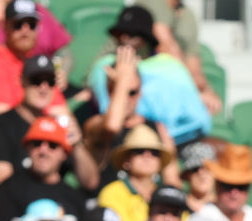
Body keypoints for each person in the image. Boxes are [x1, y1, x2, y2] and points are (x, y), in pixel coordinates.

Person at [87, 5, 211, 146]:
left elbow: (199, 121)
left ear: (147, 39)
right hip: (118, 143)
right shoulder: (105, 65)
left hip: (174, 141)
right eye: (119, 33)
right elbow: (111, 123)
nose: (124, 38)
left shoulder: (170, 66)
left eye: (133, 34)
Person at [0, 55, 97, 193]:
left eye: (50, 81)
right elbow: (1, 187)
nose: (43, 88)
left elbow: (91, 182)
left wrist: (77, 146)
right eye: (36, 81)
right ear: (22, 82)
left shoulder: (58, 125)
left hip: (57, 208)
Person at [81, 45, 180, 188]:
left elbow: (172, 181)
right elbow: (112, 126)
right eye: (119, 91)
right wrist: (123, 82)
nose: (126, 99)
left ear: (140, 93)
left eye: (132, 92)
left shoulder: (159, 129)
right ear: (110, 91)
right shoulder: (95, 124)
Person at [0, 116, 87, 221]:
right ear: (27, 148)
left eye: (52, 145)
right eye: (37, 143)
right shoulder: (7, 189)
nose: (43, 151)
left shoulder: (75, 197)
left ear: (64, 153)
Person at [0, 0, 70, 115]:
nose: (25, 31)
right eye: (18, 24)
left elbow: (62, 113)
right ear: (5, 26)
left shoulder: (38, 64)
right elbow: (2, 120)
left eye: (31, 24)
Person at [134, 0, 222, 114]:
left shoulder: (188, 14)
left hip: (167, 83)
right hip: (136, 79)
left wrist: (207, 91)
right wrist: (195, 94)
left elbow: (193, 65)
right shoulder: (151, 2)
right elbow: (165, 47)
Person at [97, 123, 174, 221]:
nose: (147, 155)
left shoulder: (167, 195)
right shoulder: (112, 193)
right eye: (139, 151)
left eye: (154, 152)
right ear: (126, 161)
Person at [0, 0, 71, 59]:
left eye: (31, 24)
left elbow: (64, 53)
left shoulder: (36, 11)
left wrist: (60, 73)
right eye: (18, 25)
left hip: (38, 83)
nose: (25, 29)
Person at [178, 140, 216, 213]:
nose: (201, 173)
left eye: (207, 168)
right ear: (187, 175)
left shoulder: (227, 208)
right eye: (195, 169)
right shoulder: (175, 206)